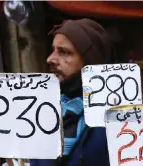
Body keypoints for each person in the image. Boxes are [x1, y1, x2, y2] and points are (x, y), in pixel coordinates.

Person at [30, 18, 115, 166]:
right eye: (53, 50)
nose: (50, 59)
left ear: (91, 62)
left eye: (64, 52)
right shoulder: (41, 112)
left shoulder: (116, 120)